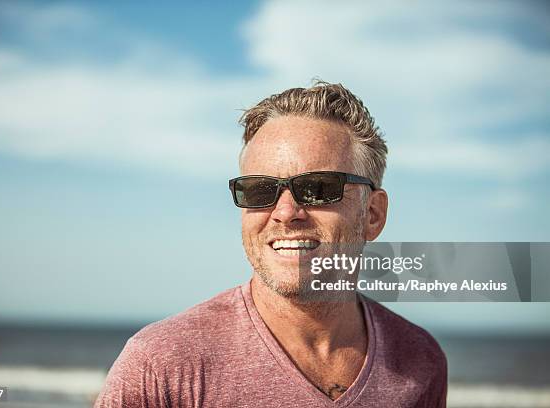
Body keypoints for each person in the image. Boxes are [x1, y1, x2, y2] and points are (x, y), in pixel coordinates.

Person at [95, 82, 447, 407]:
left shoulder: (420, 361)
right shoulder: (161, 365)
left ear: (372, 214)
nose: (285, 212)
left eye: (319, 188)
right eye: (260, 190)